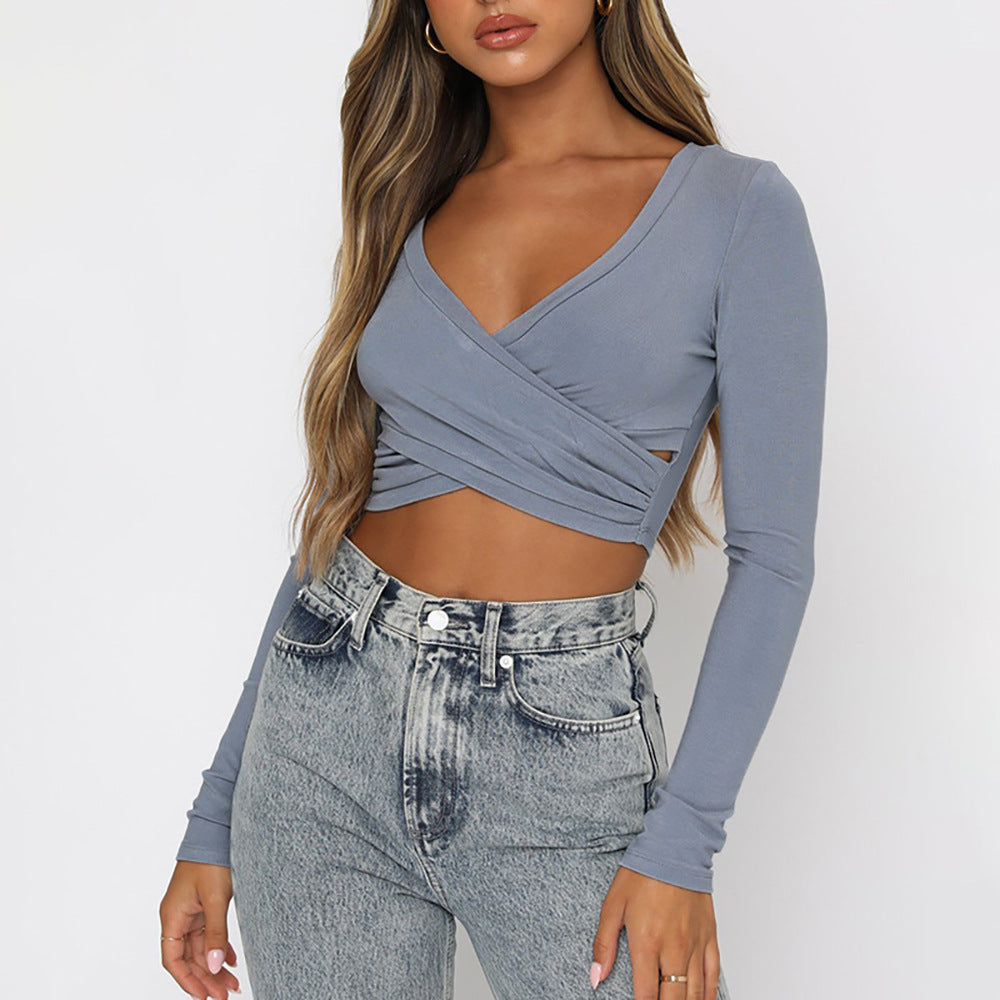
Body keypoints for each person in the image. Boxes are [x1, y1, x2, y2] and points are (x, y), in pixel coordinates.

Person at [158, 1, 827, 998]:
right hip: (322, 737)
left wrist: (683, 845)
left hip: (561, 748)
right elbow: (334, 528)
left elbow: (773, 559)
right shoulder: (411, 194)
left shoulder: (738, 211)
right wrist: (214, 814)